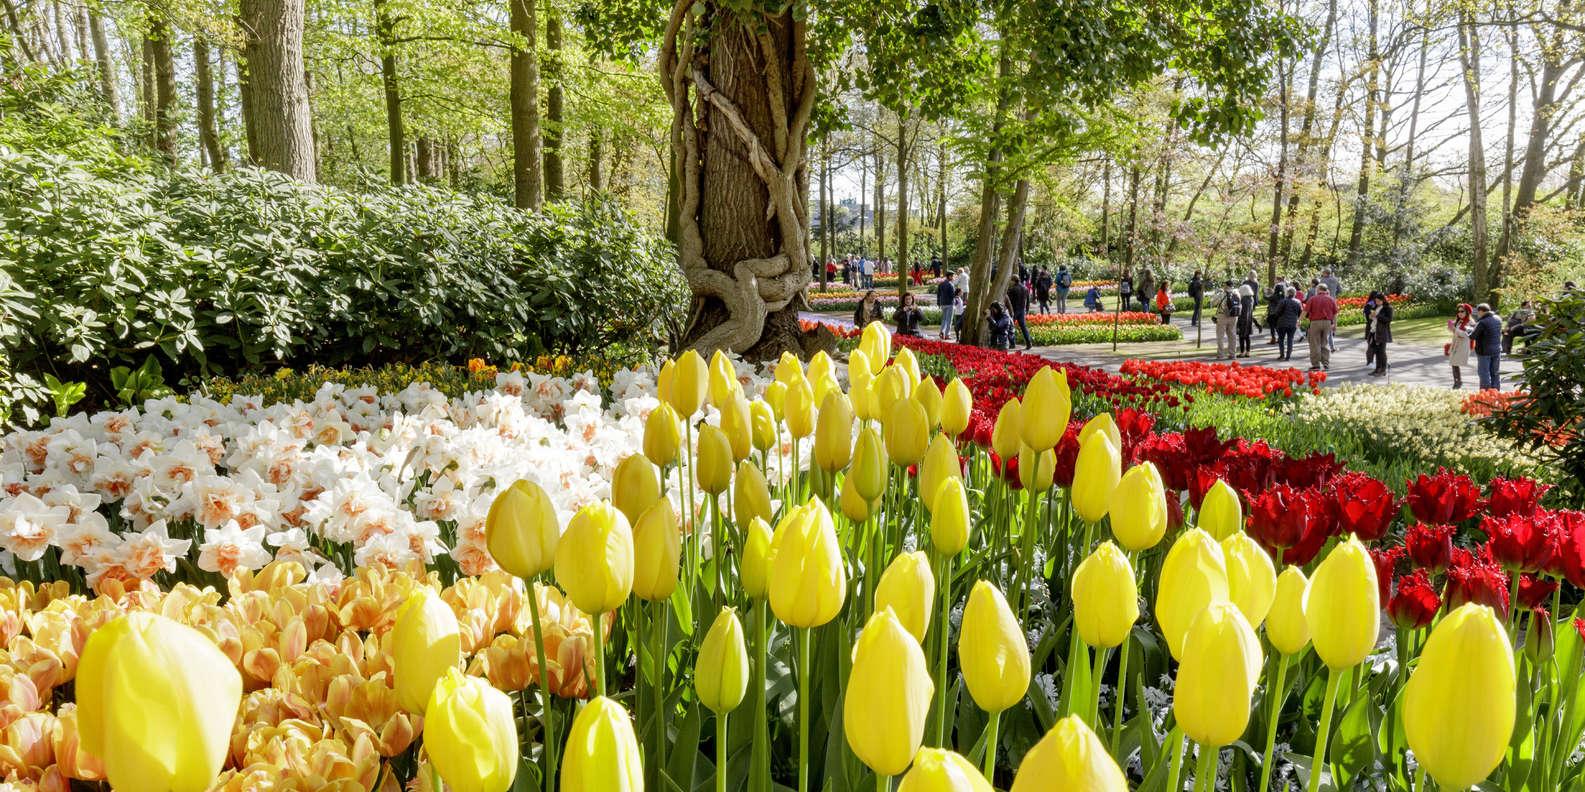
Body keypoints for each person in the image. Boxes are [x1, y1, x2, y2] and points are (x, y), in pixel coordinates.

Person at [1302, 283, 1338, 371]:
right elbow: (1335, 313)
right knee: (1324, 343)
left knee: (1314, 344)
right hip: (1327, 323)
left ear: (1318, 290)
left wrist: (1299, 320)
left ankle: (1316, 364)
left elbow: (1305, 311)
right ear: (1326, 290)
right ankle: (1326, 363)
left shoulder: (1313, 299)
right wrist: (1335, 324)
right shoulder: (1331, 299)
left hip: (1315, 322)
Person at [1471, 303, 1504, 390]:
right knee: (1495, 373)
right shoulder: (1498, 319)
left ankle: (1485, 394)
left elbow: (1473, 336)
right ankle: (1496, 392)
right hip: (1496, 349)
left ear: (1480, 311)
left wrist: (1467, 331)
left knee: (1484, 373)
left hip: (1484, 351)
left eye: (1478, 313)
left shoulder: (1482, 322)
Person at [1446, 303, 1474, 389]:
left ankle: (1458, 382)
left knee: (1455, 362)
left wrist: (1455, 330)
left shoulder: (1470, 322)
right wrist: (1451, 326)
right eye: (1458, 311)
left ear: (1467, 312)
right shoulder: (1459, 321)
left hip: (1463, 345)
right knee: (1453, 363)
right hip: (1456, 344)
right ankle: (1457, 381)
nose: (1460, 313)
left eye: (1462, 311)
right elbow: (1454, 331)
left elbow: (1467, 334)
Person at [1210, 280, 1241, 360]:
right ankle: (1232, 354)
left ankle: (1221, 354)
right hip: (1234, 316)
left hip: (1222, 315)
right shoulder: (1237, 293)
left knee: (1220, 336)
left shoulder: (1222, 294)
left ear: (1226, 286)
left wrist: (1216, 294)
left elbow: (1212, 303)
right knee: (1232, 335)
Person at [1367, 290, 1393, 376]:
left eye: (1378, 301)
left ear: (1383, 300)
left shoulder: (1388, 308)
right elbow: (1373, 318)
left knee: (1382, 351)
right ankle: (1377, 368)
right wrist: (1371, 317)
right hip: (1374, 331)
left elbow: (1388, 320)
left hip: (1382, 332)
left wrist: (1378, 315)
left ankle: (1383, 369)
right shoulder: (1376, 307)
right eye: (1376, 301)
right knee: (1376, 351)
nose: (1377, 302)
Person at [1273, 287, 1303, 361]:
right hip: (1293, 323)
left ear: (1288, 293)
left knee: (1281, 339)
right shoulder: (1298, 302)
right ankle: (1288, 355)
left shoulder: (1283, 301)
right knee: (1290, 339)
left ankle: (1282, 354)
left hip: (1282, 322)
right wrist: (1298, 319)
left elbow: (1277, 312)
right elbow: (1300, 312)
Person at [1008, 275, 1033, 349]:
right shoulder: (1025, 288)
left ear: (1014, 281)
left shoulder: (1013, 289)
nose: (1010, 282)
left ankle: (1012, 343)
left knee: (1010, 326)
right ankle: (1029, 342)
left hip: (1014, 310)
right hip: (1022, 310)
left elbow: (1010, 301)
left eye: (1011, 280)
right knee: (1023, 327)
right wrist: (1027, 310)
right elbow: (1028, 301)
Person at [1236, 284, 1258, 357]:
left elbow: (1242, 311)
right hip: (1249, 319)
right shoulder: (1251, 298)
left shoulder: (1243, 300)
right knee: (1247, 336)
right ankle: (1248, 351)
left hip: (1243, 319)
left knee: (1241, 336)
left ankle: (1242, 352)